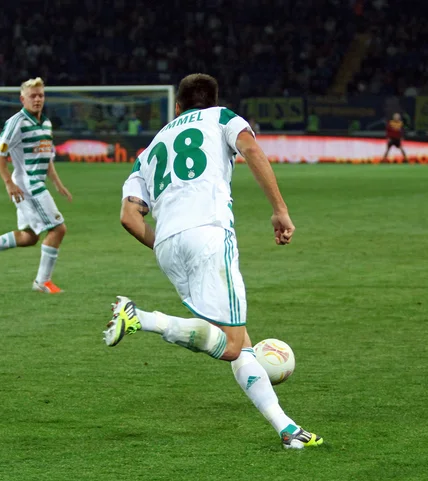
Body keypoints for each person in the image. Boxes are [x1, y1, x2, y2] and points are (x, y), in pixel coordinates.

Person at [104, 73, 323, 449]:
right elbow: (251, 150)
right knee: (234, 346)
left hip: (168, 246)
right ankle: (142, 317)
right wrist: (279, 211)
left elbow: (128, 217)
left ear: (177, 106)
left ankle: (287, 429)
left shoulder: (151, 147)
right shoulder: (221, 117)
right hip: (209, 232)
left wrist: (164, 243)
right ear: (214, 99)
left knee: (237, 341)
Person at [0, 77, 72, 294]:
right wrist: (8, 183)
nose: (37, 99)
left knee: (29, 237)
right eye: (33, 96)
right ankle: (42, 282)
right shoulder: (17, 122)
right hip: (28, 185)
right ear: (23, 99)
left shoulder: (47, 123)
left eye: (40, 95)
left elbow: (46, 156)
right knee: (58, 229)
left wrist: (58, 183)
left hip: (35, 183)